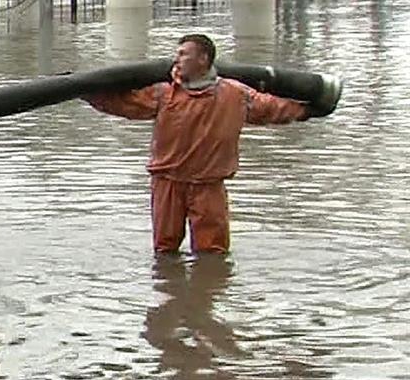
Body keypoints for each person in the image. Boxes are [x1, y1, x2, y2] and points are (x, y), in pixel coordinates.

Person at [84, 34, 312, 255]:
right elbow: (124, 104)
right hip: (168, 182)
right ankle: (169, 290)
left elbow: (273, 108)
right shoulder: (163, 93)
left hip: (208, 185)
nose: (176, 59)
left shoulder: (235, 94)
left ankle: (208, 290)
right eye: (177, 54)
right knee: (164, 250)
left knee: (213, 252)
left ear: (203, 59)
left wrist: (308, 110)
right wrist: (85, 91)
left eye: (183, 54)